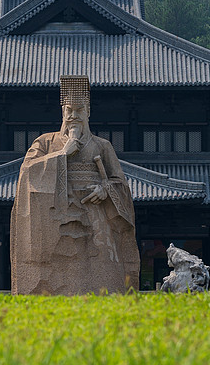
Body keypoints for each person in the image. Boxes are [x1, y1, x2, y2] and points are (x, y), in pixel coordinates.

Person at [11, 75, 139, 294]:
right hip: (59, 217)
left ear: (88, 112)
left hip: (96, 216)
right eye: (69, 110)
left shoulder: (102, 146)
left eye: (79, 110)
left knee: (102, 271)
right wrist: (62, 154)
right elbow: (27, 173)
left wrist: (105, 190)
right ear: (62, 112)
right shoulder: (45, 142)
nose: (73, 116)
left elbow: (121, 184)